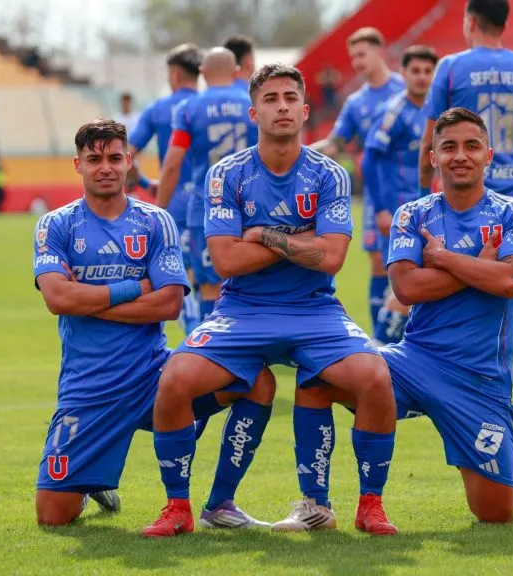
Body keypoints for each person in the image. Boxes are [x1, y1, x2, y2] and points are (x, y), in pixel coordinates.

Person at [142, 64, 398, 538]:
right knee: (175, 379)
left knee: (375, 377)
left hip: (315, 310)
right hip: (242, 311)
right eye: (271, 98)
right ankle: (179, 505)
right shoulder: (227, 174)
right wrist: (297, 239)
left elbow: (332, 258)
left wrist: (260, 234)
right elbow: (225, 261)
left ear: (304, 109)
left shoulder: (329, 175)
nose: (281, 105)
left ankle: (369, 504)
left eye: (290, 97)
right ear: (253, 111)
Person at [298, 107, 513, 524]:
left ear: (489, 155)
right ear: (433, 157)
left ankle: (504, 479)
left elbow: (509, 283)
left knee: (496, 513)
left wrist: (443, 258)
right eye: (448, 147)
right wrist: (477, 267)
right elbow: (407, 288)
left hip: (479, 381)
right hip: (414, 362)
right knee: (317, 379)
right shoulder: (414, 214)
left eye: (471, 146)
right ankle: (318, 504)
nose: (459, 155)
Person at [32, 119, 276, 526]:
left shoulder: (154, 221)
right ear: (78, 165)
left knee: (258, 381)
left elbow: (167, 304)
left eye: (114, 158)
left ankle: (219, 503)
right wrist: (133, 287)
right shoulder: (56, 224)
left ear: (129, 161)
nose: (105, 167)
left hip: (153, 376)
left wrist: (87, 302)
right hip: (89, 389)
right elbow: (57, 298)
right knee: (53, 517)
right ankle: (95, 482)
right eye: (94, 159)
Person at [419, 0, 513, 249]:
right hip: (512, 195)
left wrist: (421, 196)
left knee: (453, 273)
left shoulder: (451, 67)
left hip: (460, 193)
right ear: (504, 24)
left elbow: (429, 140)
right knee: (504, 276)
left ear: (471, 22)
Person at [310, 27, 405, 366]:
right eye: (353, 56)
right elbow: (336, 143)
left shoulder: (406, 90)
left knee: (415, 266)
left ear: (381, 51)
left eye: (363, 53)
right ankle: (381, 340)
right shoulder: (356, 102)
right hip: (377, 195)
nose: (357, 61)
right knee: (379, 264)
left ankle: (404, 339)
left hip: (414, 193)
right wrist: (304, 153)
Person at [157, 47, 258, 324]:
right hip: (252, 206)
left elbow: (173, 163)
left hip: (206, 206)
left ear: (202, 73)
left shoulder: (189, 109)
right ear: (237, 71)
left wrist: (161, 208)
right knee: (254, 281)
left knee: (210, 286)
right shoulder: (252, 105)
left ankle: (212, 354)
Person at [360, 45, 438, 344]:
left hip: (422, 204)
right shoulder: (394, 111)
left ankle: (389, 342)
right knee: (394, 270)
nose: (421, 77)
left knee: (413, 270)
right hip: (394, 205)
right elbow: (370, 157)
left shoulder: (435, 111)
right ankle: (380, 342)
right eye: (415, 71)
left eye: (427, 71)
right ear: (403, 73)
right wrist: (380, 208)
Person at [128, 44, 203, 333]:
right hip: (215, 200)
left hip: (173, 203)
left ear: (173, 74)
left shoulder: (158, 110)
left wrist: (143, 182)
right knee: (213, 278)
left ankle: (195, 334)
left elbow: (127, 154)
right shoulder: (207, 107)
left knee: (177, 276)